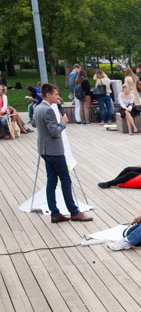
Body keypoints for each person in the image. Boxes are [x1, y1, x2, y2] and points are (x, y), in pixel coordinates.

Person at [31, 84, 92, 224]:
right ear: (48, 95)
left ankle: (55, 213)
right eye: (55, 94)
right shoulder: (48, 110)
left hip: (44, 149)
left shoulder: (38, 107)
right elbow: (54, 132)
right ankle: (74, 211)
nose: (57, 97)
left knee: (51, 181)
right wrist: (63, 123)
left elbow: (34, 124)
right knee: (65, 180)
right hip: (54, 150)